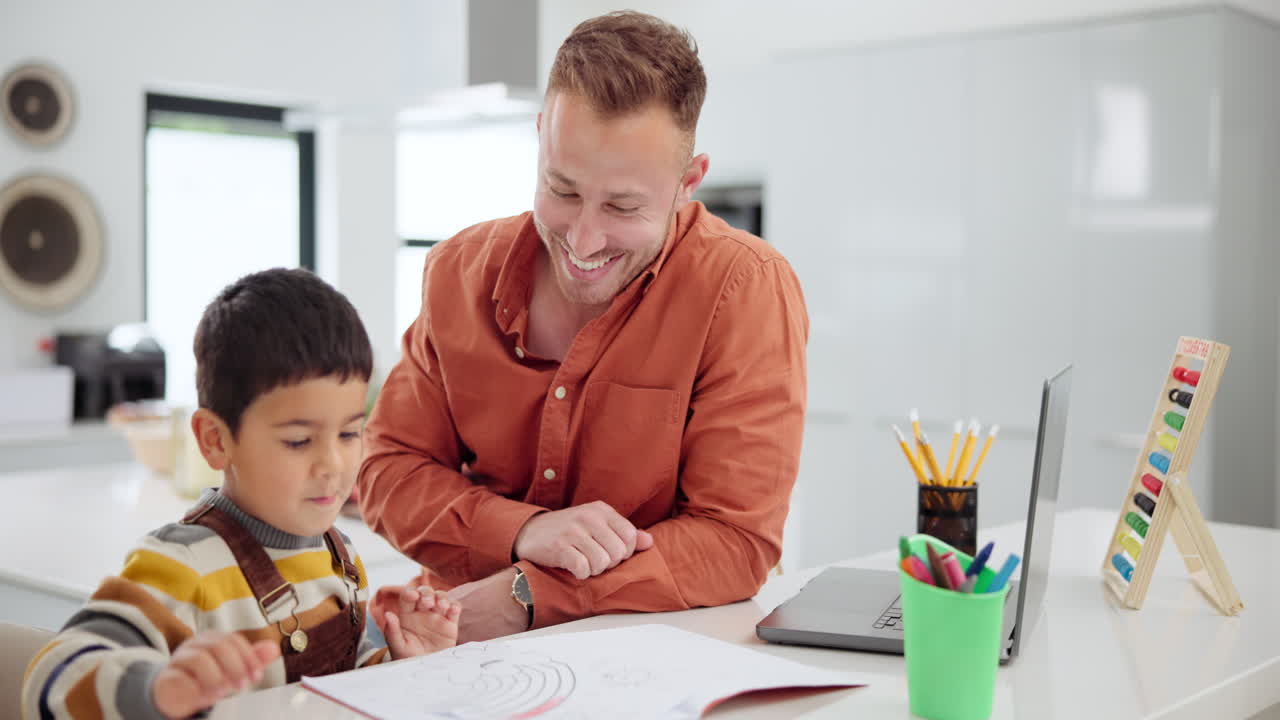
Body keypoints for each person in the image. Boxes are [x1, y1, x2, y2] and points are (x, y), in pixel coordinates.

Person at [359, 11, 808, 643]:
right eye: (562, 189)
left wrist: (527, 595)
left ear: (687, 183)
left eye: (623, 207)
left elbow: (734, 541)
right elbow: (386, 467)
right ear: (542, 136)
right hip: (447, 651)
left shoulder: (743, 289)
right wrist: (519, 529)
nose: (583, 239)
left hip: (648, 666)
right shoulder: (456, 272)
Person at [23, 269, 460, 720]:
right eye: (298, 441)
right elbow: (51, 681)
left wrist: (398, 664)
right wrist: (157, 691)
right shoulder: (184, 565)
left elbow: (339, 685)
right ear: (215, 440)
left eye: (349, 433)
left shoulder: (337, 552)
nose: (333, 464)